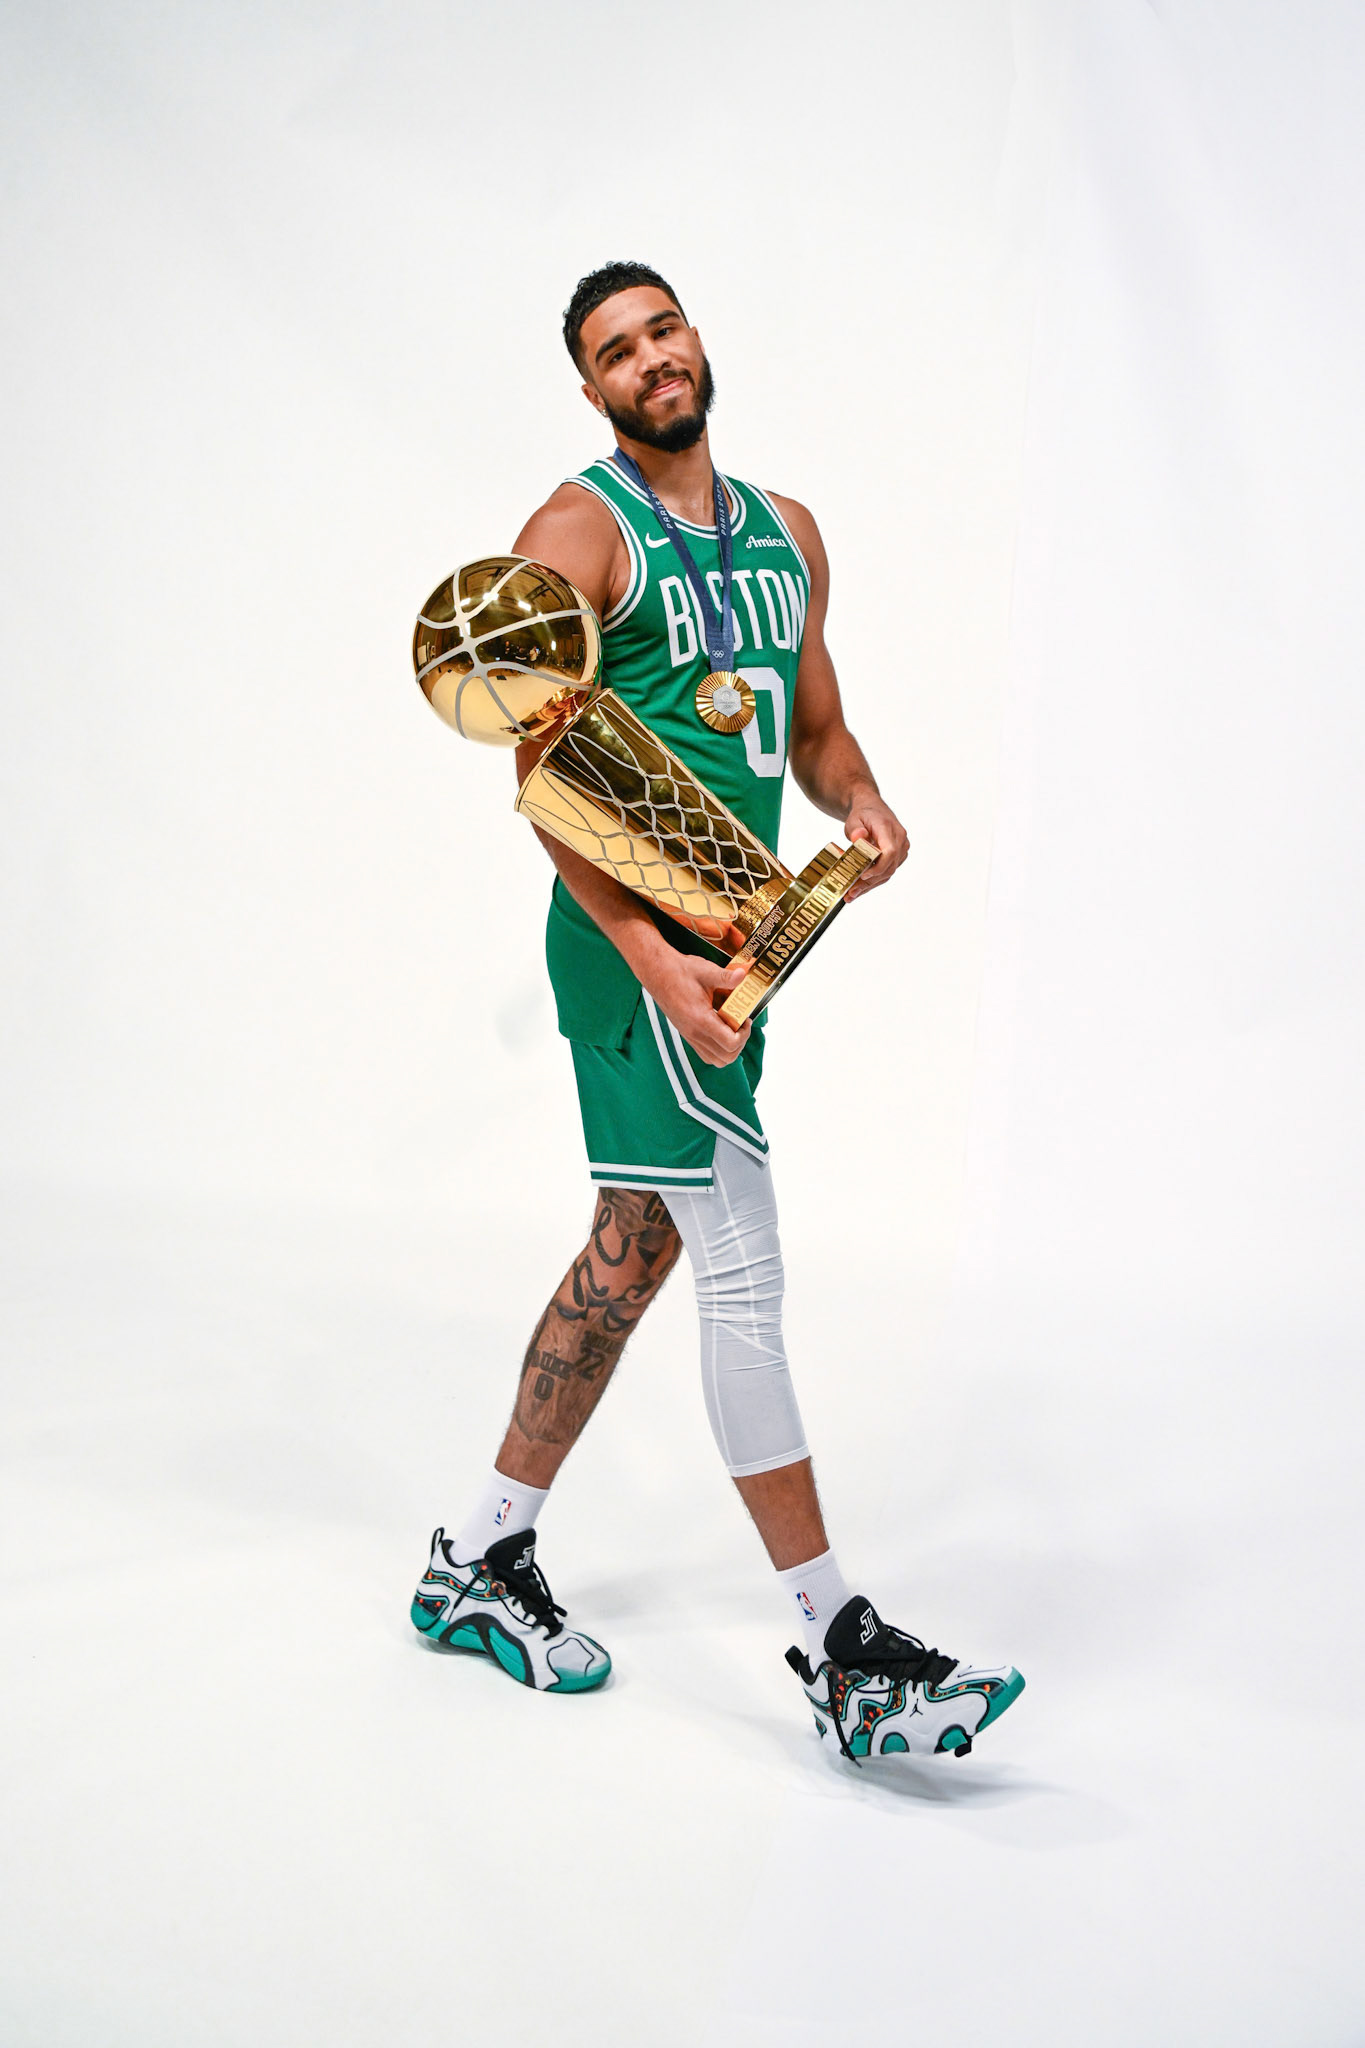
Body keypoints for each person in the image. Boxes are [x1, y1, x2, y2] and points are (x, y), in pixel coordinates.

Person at [411, 261, 1023, 1760]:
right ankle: (840, 1647)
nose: (650, 360)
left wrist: (862, 802)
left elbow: (813, 730)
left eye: (662, 329)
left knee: (628, 1260)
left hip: (736, 942)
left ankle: (478, 1558)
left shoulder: (786, 532)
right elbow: (540, 776)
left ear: (696, 339)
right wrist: (649, 957)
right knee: (738, 1263)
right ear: (590, 390)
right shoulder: (575, 531)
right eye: (616, 351)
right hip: (641, 960)